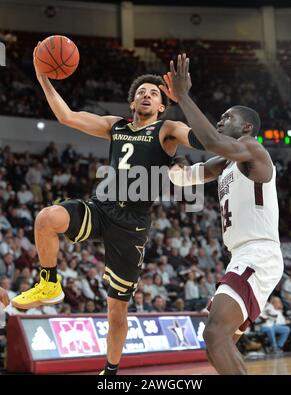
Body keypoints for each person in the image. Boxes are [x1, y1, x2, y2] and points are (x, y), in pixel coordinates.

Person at [11, 45, 205, 375]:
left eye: (153, 93)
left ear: (161, 104)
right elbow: (67, 116)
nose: (146, 95)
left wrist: (184, 99)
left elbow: (203, 139)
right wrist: (43, 76)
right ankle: (49, 283)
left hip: (132, 225)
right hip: (102, 208)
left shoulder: (167, 130)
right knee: (47, 218)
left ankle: (110, 371)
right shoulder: (115, 125)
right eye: (140, 92)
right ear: (132, 103)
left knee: (117, 309)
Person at [165, 54, 283, 374]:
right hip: (242, 256)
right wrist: (159, 160)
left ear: (245, 127)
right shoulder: (227, 164)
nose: (220, 120)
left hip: (258, 253)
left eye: (226, 117)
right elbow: (190, 174)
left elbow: (211, 141)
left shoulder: (253, 149)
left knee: (215, 333)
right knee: (218, 342)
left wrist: (183, 97)